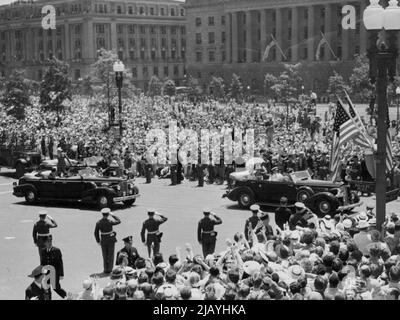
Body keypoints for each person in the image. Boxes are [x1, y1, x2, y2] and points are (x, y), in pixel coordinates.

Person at [94, 208, 121, 274]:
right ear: (108, 214)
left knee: (105, 255)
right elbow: (119, 221)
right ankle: (110, 269)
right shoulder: (109, 221)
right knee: (111, 255)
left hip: (103, 239)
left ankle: (106, 269)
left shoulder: (98, 222)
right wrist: (113, 215)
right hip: (110, 239)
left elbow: (95, 232)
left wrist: (98, 241)